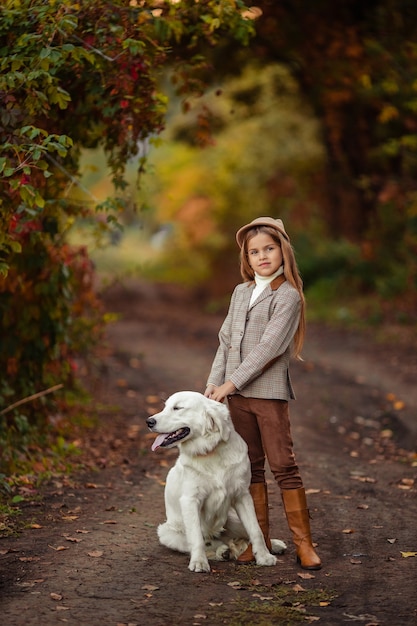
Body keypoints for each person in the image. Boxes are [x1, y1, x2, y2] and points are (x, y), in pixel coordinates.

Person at [204, 216, 321, 570]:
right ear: (247, 258)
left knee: (283, 466)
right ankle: (259, 543)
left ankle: (304, 545)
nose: (262, 256)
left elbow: (268, 348)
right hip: (236, 398)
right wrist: (214, 380)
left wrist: (230, 383)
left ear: (283, 251)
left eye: (269, 248)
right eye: (255, 251)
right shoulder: (240, 292)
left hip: (267, 395)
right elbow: (226, 341)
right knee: (250, 468)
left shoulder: (288, 296)